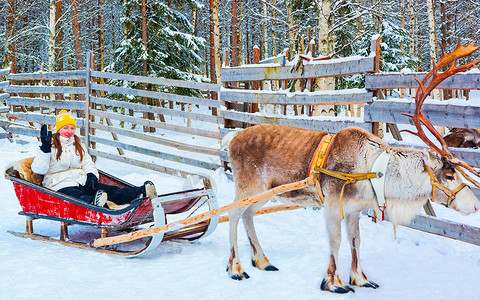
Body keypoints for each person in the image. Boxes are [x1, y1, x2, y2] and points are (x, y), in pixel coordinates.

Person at [31, 110, 157, 207]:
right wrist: (45, 149)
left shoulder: (78, 144)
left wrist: (91, 175)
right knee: (78, 196)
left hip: (80, 180)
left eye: (72, 128)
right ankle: (95, 203)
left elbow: (87, 162)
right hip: (59, 184)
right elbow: (39, 169)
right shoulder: (50, 144)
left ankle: (138, 193)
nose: (69, 131)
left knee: (109, 190)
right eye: (65, 128)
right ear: (59, 129)